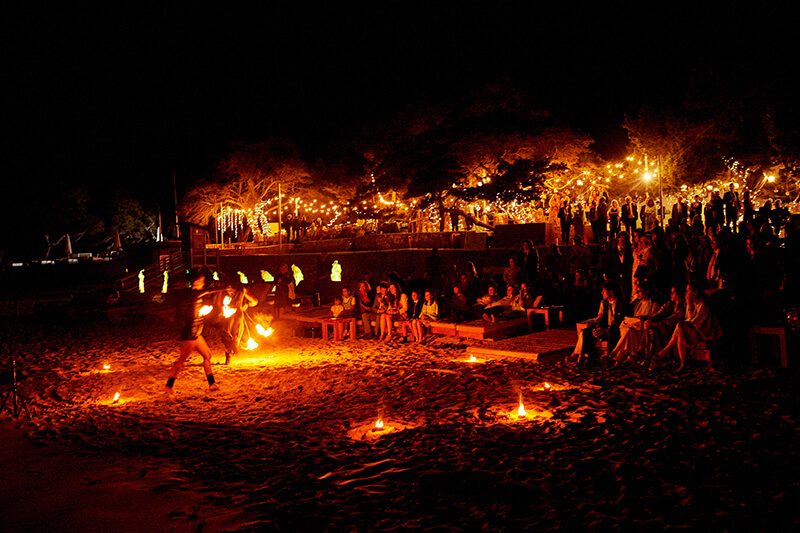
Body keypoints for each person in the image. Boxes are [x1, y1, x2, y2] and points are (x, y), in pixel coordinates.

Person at [164, 270, 219, 395]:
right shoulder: (192, 294)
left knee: (207, 355)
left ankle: (212, 384)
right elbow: (207, 291)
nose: (203, 284)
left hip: (196, 333)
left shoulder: (194, 295)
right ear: (195, 282)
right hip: (190, 333)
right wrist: (223, 287)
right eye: (201, 281)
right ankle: (168, 386)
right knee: (181, 360)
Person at [655, 282, 722, 372]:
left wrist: (690, 306)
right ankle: (683, 364)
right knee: (680, 333)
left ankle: (666, 350)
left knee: (680, 326)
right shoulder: (690, 304)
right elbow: (688, 321)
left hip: (705, 333)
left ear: (696, 292)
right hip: (695, 331)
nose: (686, 293)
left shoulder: (704, 305)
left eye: (688, 290)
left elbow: (695, 323)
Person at [571, 281, 626, 367]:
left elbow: (621, 321)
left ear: (611, 292)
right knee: (587, 331)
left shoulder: (621, 304)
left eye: (604, 291)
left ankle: (610, 359)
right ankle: (589, 357)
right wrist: (595, 327)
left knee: (611, 333)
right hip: (605, 328)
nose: (602, 293)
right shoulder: (605, 303)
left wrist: (607, 330)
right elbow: (601, 318)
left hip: (616, 329)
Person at [610, 279, 659, 366]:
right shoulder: (637, 304)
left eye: (640, 292)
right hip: (634, 329)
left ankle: (614, 354)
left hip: (644, 330)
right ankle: (618, 362)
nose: (638, 294)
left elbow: (652, 319)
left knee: (630, 330)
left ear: (647, 291)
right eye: (637, 292)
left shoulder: (654, 304)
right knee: (628, 330)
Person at [218, 280, 258, 365]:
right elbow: (254, 301)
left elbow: (218, 303)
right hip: (237, 314)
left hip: (229, 315)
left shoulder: (223, 289)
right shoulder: (242, 289)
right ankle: (231, 353)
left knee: (227, 334)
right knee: (235, 335)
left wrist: (246, 305)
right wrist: (245, 305)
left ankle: (229, 354)